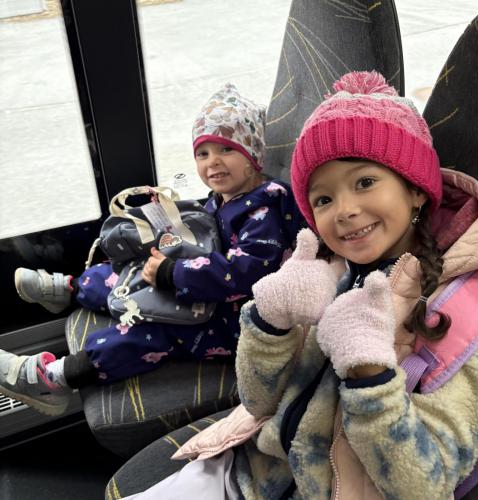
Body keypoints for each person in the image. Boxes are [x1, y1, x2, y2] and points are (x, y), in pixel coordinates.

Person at [117, 71, 478, 499]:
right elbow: (259, 402)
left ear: (415, 189)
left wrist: (370, 378)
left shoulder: (471, 316)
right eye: (323, 199)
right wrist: (268, 323)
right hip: (249, 470)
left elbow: (424, 487)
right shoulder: (329, 269)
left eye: (365, 182)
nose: (344, 210)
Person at [0, 83, 306, 417]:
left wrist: (173, 273)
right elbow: (203, 243)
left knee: (150, 330)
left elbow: (247, 272)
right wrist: (165, 245)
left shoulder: (263, 211)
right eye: (203, 154)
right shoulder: (223, 198)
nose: (213, 162)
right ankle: (71, 289)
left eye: (226, 149)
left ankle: (55, 379)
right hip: (200, 284)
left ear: (253, 156)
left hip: (231, 319)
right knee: (124, 272)